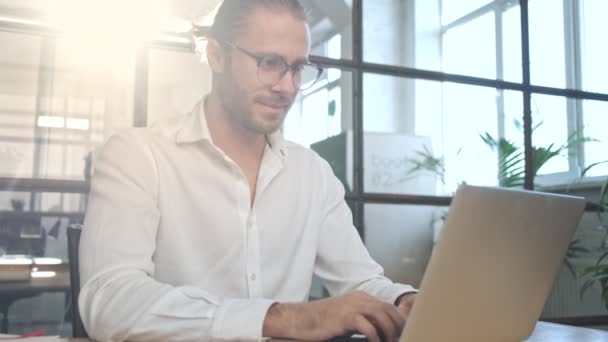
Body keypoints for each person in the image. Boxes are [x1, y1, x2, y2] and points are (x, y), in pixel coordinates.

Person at [79, 1, 417, 341]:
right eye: (269, 63)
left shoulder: (313, 173)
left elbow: (361, 282)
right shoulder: (138, 156)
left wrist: (404, 301)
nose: (287, 87)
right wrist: (284, 319)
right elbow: (110, 300)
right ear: (216, 56)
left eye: (298, 68)